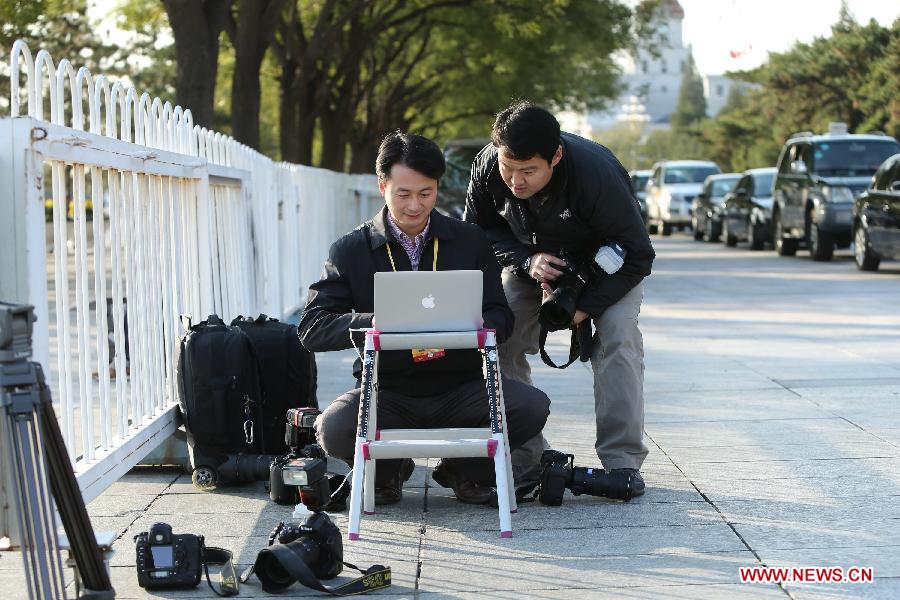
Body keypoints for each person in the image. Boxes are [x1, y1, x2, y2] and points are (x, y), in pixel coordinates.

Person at [298, 131, 550, 506]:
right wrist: (377, 321)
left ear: (437, 187)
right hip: (387, 387)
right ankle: (389, 472)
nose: (415, 206)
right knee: (334, 428)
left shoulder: (469, 240)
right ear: (381, 185)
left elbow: (501, 315)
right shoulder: (351, 249)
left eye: (425, 193)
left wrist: (475, 323)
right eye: (403, 193)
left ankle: (464, 469)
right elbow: (312, 327)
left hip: (460, 386)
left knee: (531, 406)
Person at [464, 101, 654, 495]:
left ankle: (622, 463)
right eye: (508, 169)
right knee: (498, 336)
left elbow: (638, 254)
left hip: (608, 267)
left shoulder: (595, 174)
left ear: (556, 155)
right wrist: (525, 259)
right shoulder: (486, 166)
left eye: (528, 171)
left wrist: (585, 308)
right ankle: (525, 456)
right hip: (532, 264)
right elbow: (477, 233)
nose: (515, 181)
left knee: (618, 337)